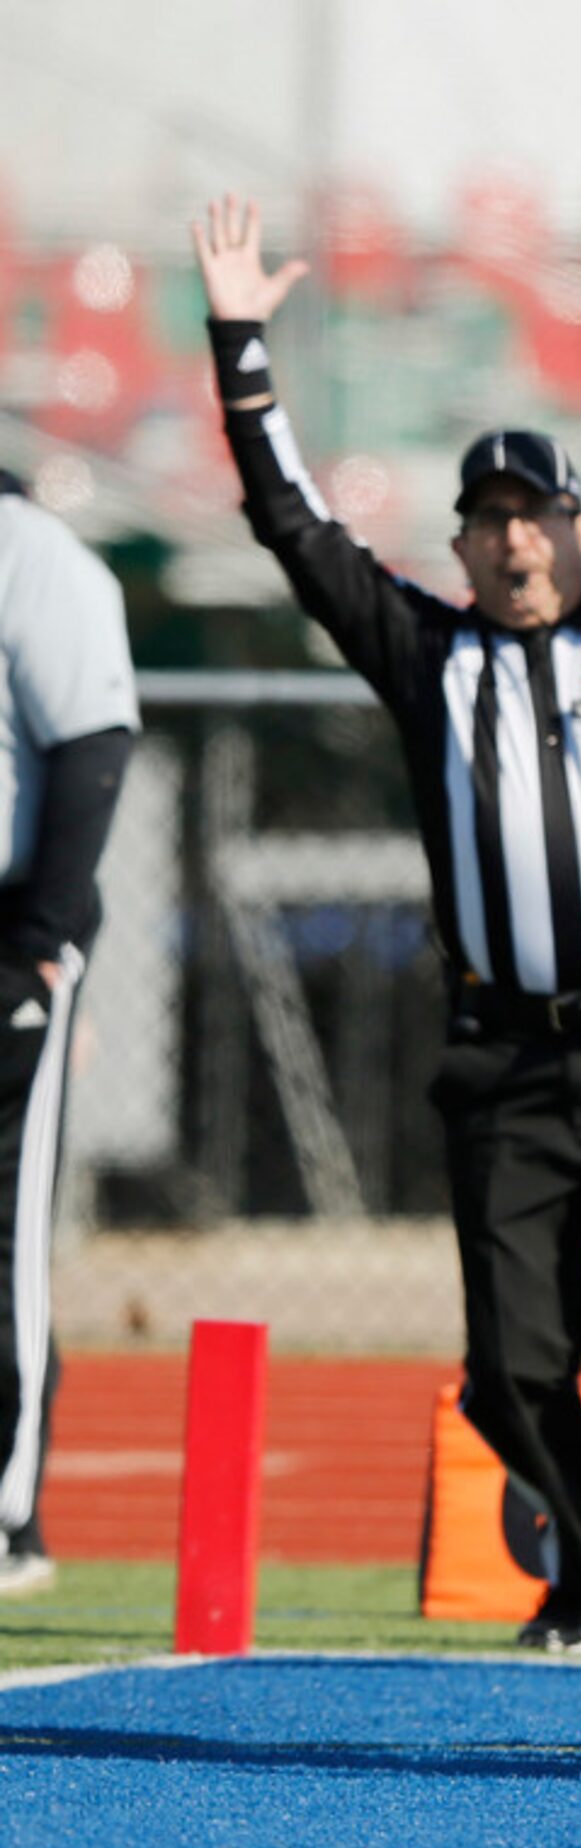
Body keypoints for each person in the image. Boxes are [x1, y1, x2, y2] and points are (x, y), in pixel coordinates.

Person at [194, 196, 581, 1652]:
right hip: (505, 1062)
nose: (515, 539)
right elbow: (291, 525)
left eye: (536, 513)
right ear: (464, 545)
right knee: (504, 1369)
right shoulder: (429, 656)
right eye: (489, 520)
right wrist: (240, 339)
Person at [0, 471, 137, 1596]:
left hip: (7, 935)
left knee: (4, 1223)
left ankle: (5, 1513)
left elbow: (93, 739)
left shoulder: (27, 549)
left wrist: (37, 935)